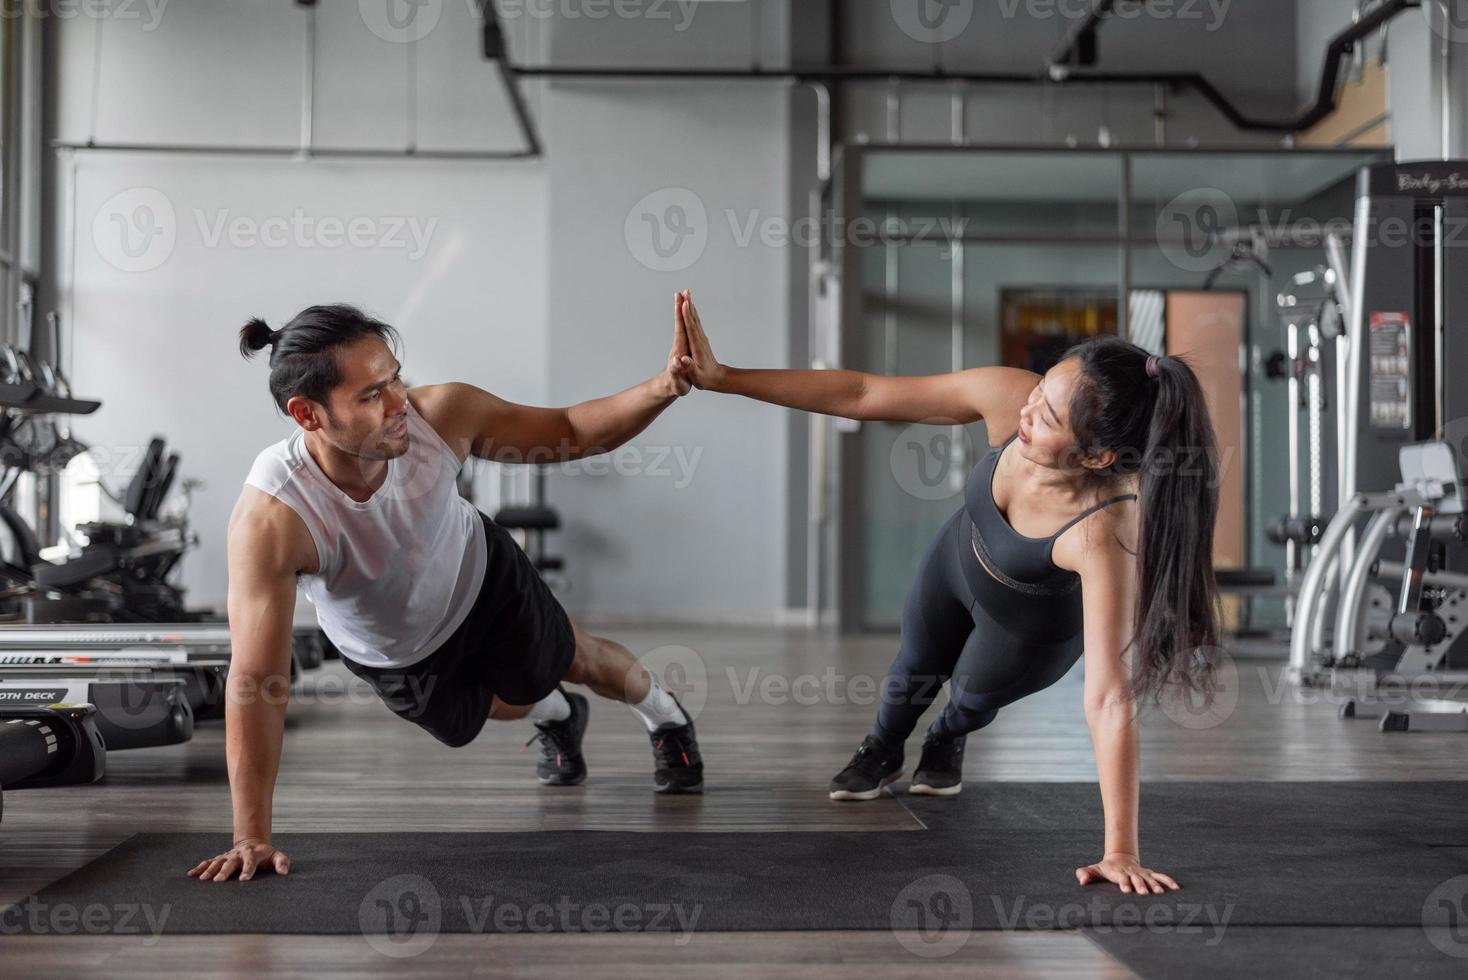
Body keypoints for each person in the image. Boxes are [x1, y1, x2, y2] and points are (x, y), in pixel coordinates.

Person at [672, 290, 1220, 895]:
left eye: (1048, 417)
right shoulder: (1012, 396)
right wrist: (725, 378)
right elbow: (863, 393)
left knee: (967, 697)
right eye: (1041, 388)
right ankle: (882, 749)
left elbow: (1111, 699)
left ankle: (948, 737)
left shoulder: (1104, 530)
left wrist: (1121, 849)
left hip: (1030, 630)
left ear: (1097, 455)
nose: (1028, 409)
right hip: (958, 561)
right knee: (912, 670)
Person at [189, 302, 703, 884]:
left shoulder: (443, 415)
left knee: (573, 658)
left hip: (482, 578)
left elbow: (571, 430)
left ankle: (666, 719)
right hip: (395, 651)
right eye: (371, 395)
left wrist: (664, 386)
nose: (399, 402)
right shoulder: (273, 518)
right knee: (469, 720)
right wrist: (250, 835)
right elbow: (257, 681)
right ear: (307, 414)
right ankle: (560, 714)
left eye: (396, 378)